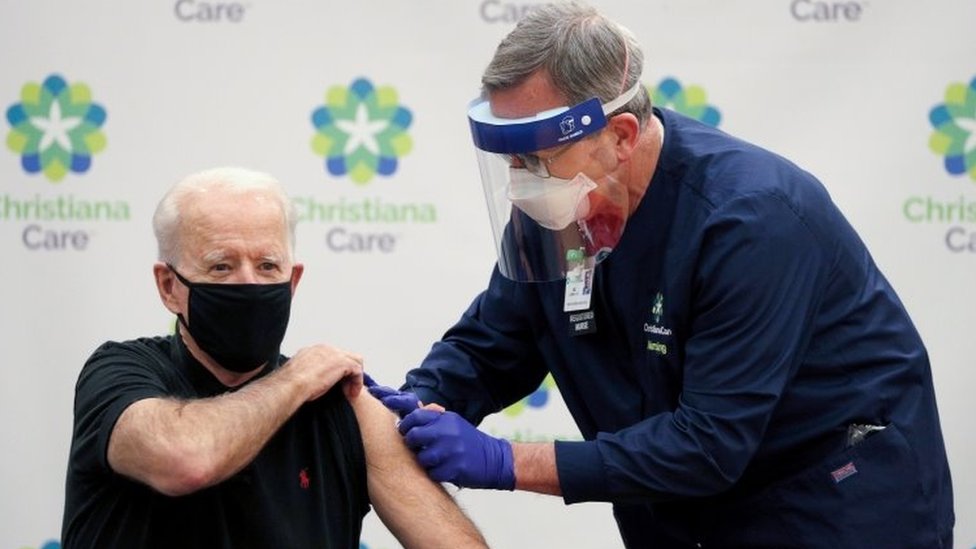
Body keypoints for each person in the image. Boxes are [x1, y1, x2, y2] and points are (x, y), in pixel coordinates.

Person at [367, 2, 955, 547]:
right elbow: (493, 344)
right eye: (511, 160)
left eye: (539, 158)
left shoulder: (750, 219)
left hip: (834, 502)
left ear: (620, 136)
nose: (522, 182)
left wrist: (505, 461)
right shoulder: (558, 210)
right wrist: (413, 409)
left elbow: (708, 444)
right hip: (683, 513)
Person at [61, 167, 488, 549]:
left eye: (267, 266)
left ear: (293, 280)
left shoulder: (344, 408)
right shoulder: (119, 373)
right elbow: (184, 460)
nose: (248, 283)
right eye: (221, 267)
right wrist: (295, 379)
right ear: (169, 286)